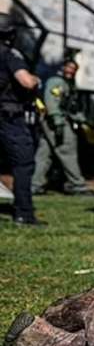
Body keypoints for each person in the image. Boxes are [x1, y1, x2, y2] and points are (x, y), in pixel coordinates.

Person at [32, 59, 94, 197]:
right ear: (62, 68)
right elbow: (52, 103)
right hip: (56, 121)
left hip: (52, 120)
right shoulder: (57, 82)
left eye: (74, 68)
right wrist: (58, 121)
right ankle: (77, 185)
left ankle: (34, 184)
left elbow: (69, 108)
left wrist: (84, 120)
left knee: (44, 154)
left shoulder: (65, 83)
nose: (71, 71)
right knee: (67, 150)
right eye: (69, 67)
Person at [0, 12, 42, 226]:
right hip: (9, 117)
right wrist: (35, 80)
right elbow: (25, 81)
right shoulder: (10, 54)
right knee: (23, 163)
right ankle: (24, 213)